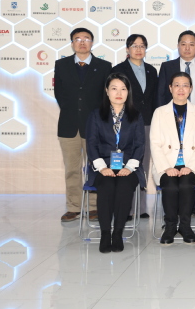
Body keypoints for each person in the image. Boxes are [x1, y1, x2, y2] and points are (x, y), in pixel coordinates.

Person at [54, 27, 112, 222]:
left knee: (96, 167)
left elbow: (106, 97)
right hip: (68, 125)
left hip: (95, 126)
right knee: (72, 168)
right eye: (77, 39)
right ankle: (74, 207)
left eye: (86, 38)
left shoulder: (104, 66)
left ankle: (94, 207)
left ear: (92, 43)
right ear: (72, 44)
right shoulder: (61, 65)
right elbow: (59, 94)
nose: (82, 42)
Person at [85, 73, 146, 253]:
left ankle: (118, 232)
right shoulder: (96, 115)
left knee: (124, 186)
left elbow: (140, 145)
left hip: (129, 167)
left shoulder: (136, 116)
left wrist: (129, 167)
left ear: (128, 92)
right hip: (102, 166)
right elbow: (91, 144)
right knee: (107, 185)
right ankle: (105, 233)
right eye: (114, 88)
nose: (119, 93)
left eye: (123, 89)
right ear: (107, 91)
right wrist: (102, 168)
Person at [157, 30, 195, 219]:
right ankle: (172, 210)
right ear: (178, 46)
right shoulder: (167, 66)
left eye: (191, 44)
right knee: (173, 161)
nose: (187, 48)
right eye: (183, 44)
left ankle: (193, 206)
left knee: (194, 161)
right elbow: (161, 95)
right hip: (172, 119)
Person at [150, 72, 195, 245]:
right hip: (166, 164)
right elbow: (155, 143)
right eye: (177, 85)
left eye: (185, 85)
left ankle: (185, 226)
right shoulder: (159, 112)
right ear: (170, 88)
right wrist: (166, 167)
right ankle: (170, 226)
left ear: (191, 89)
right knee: (169, 184)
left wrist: (190, 166)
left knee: (185, 184)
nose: (181, 89)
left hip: (191, 165)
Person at [111, 34, 158, 219]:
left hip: (147, 123)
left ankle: (141, 208)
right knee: (125, 164)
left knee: (143, 165)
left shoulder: (151, 70)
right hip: (125, 123)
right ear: (127, 49)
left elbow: (154, 98)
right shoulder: (118, 70)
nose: (138, 49)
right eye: (134, 45)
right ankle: (126, 208)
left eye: (142, 46)